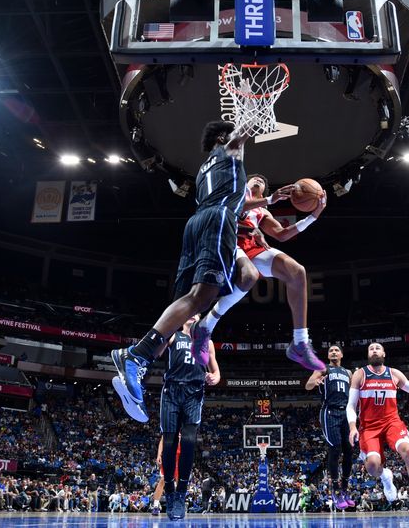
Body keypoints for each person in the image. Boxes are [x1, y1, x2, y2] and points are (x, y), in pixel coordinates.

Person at [111, 117, 324, 422]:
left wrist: (277, 203)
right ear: (224, 139)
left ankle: (138, 360)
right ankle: (139, 355)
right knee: (205, 295)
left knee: (188, 302)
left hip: (198, 223)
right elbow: (239, 141)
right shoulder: (230, 153)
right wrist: (254, 110)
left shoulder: (204, 171)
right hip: (219, 225)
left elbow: (277, 230)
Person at [192, 174, 327, 372]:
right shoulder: (235, 192)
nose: (258, 180)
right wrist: (270, 200)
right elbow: (229, 210)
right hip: (227, 241)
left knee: (297, 272)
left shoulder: (262, 210)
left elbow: (282, 234)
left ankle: (299, 342)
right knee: (249, 276)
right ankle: (206, 326)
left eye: (262, 181)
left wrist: (314, 215)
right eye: (254, 178)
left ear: (264, 189)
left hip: (252, 247)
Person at [346, 342, 409, 518]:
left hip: (391, 422)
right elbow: (351, 405)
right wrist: (353, 427)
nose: (374, 350)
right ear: (368, 354)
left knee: (407, 450)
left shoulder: (394, 373)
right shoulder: (360, 374)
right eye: (371, 348)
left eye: (378, 348)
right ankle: (386, 476)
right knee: (372, 466)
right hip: (369, 427)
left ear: (384, 353)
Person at [159, 315, 221, 521]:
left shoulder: (206, 341)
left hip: (194, 393)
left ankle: (181, 494)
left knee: (188, 442)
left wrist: (215, 377)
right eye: (190, 311)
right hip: (172, 391)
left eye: (198, 312)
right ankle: (169, 489)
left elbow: (216, 371)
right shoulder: (173, 336)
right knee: (169, 443)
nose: (193, 314)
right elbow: (155, 351)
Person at [305, 345, 354, 510]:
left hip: (346, 412)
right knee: (335, 448)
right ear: (328, 355)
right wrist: (316, 380)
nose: (334, 352)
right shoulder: (323, 369)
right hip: (330, 412)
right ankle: (335, 490)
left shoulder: (348, 373)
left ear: (341, 354)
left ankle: (345, 490)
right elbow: (308, 385)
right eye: (331, 350)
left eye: (336, 350)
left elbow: (356, 391)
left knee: (349, 450)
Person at [151, 434, 181, 516]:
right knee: (163, 480)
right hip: (169, 454)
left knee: (179, 482)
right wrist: (159, 455)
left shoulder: (185, 427)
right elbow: (162, 441)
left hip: (180, 456)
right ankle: (156, 506)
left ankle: (178, 506)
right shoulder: (169, 425)